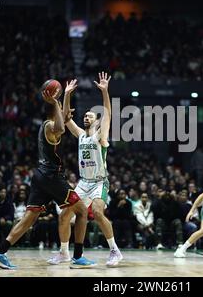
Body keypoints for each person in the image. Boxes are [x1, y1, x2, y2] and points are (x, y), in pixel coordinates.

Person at [0, 80, 95, 269]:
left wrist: (67, 94)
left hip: (41, 177)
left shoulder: (52, 121)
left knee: (29, 217)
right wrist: (56, 102)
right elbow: (62, 127)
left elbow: (66, 117)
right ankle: (78, 257)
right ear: (53, 107)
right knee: (82, 211)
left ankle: (0, 252)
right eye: (59, 104)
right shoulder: (49, 126)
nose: (62, 107)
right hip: (52, 177)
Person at [64, 72, 123, 266]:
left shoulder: (101, 135)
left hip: (99, 182)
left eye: (90, 116)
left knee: (97, 212)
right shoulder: (81, 135)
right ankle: (64, 252)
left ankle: (115, 251)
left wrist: (105, 92)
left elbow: (108, 111)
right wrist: (66, 95)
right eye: (85, 116)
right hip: (83, 182)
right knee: (64, 214)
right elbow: (65, 119)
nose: (86, 118)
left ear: (97, 121)